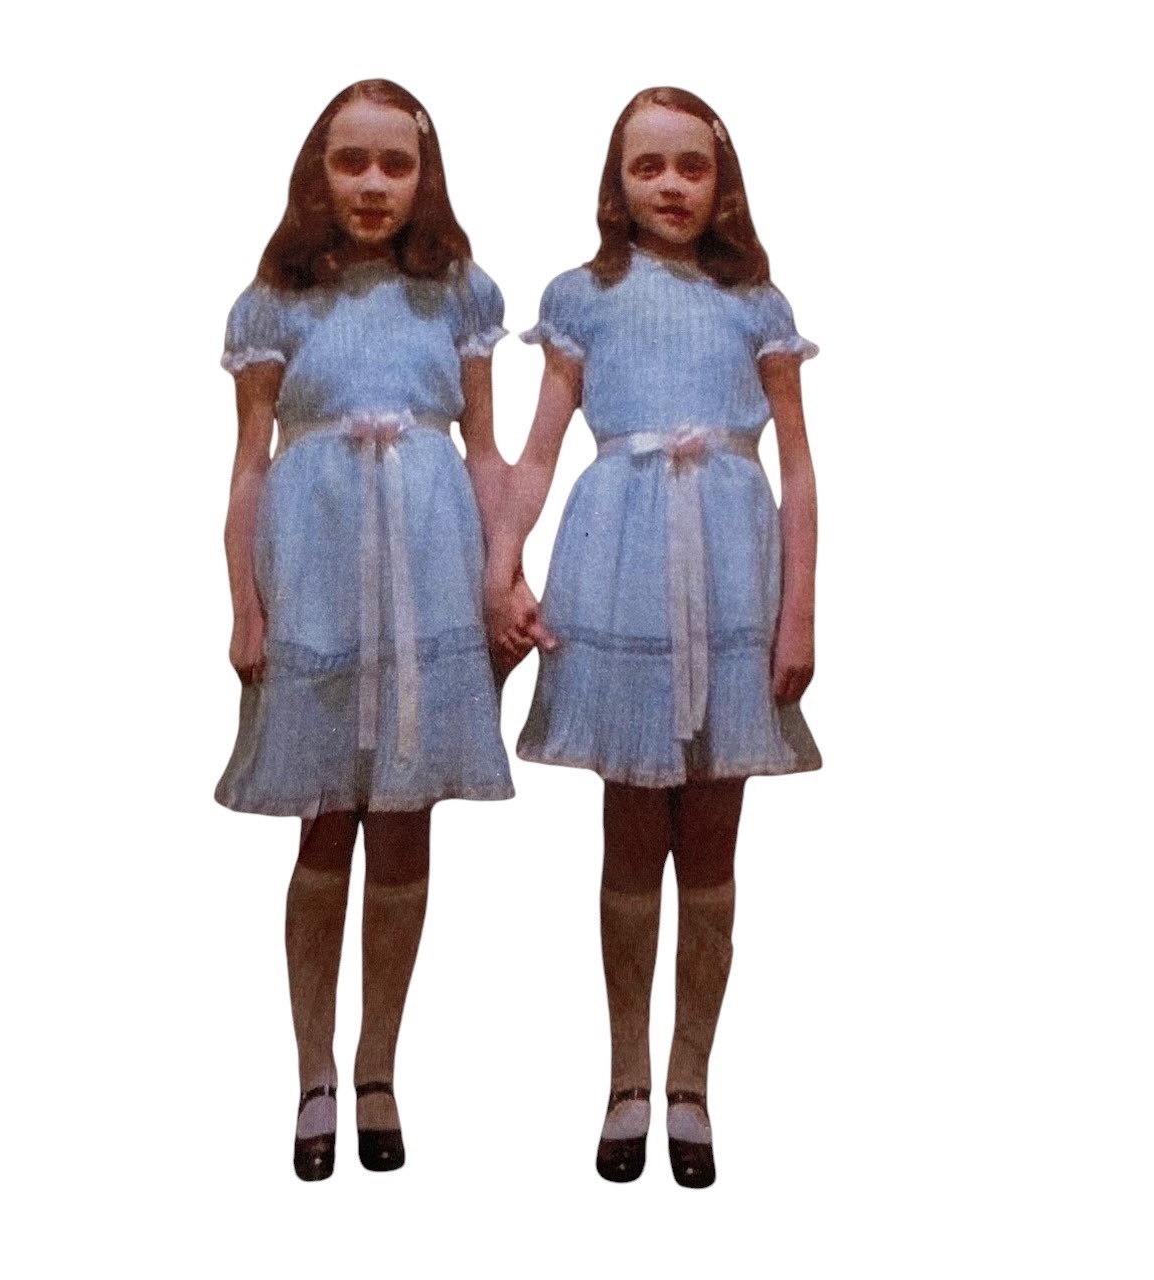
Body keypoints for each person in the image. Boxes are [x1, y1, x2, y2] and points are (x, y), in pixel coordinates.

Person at [487, 87, 821, 1188]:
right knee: (631, 832)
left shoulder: (754, 302)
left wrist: (798, 608)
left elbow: (798, 467)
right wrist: (504, 561)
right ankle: (626, 1074)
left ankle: (692, 1081)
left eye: (692, 166)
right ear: (615, 182)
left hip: (731, 572)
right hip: (621, 564)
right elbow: (539, 451)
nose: (671, 185)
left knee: (712, 841)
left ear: (723, 183)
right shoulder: (581, 296)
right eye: (648, 167)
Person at [216, 79, 513, 1180]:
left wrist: (500, 577)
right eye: (353, 162)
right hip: (319, 567)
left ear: (425, 174)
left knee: (404, 824)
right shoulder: (275, 302)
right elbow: (250, 466)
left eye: (397, 163)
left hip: (428, 564)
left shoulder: (459, 295)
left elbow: (484, 452)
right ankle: (312, 1070)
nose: (375, 184)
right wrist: (245, 604)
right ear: (318, 171)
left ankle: (378, 1064)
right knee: (323, 823)